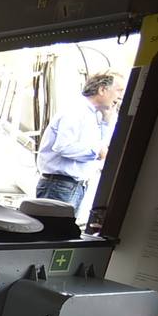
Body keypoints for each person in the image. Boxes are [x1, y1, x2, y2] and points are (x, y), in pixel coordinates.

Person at [35, 70, 125, 211]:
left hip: (72, 185)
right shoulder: (76, 111)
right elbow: (63, 147)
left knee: (61, 231)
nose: (120, 96)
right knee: (52, 231)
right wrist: (96, 152)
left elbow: (101, 146)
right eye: (119, 90)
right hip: (60, 185)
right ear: (102, 90)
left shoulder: (93, 114)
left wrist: (106, 122)